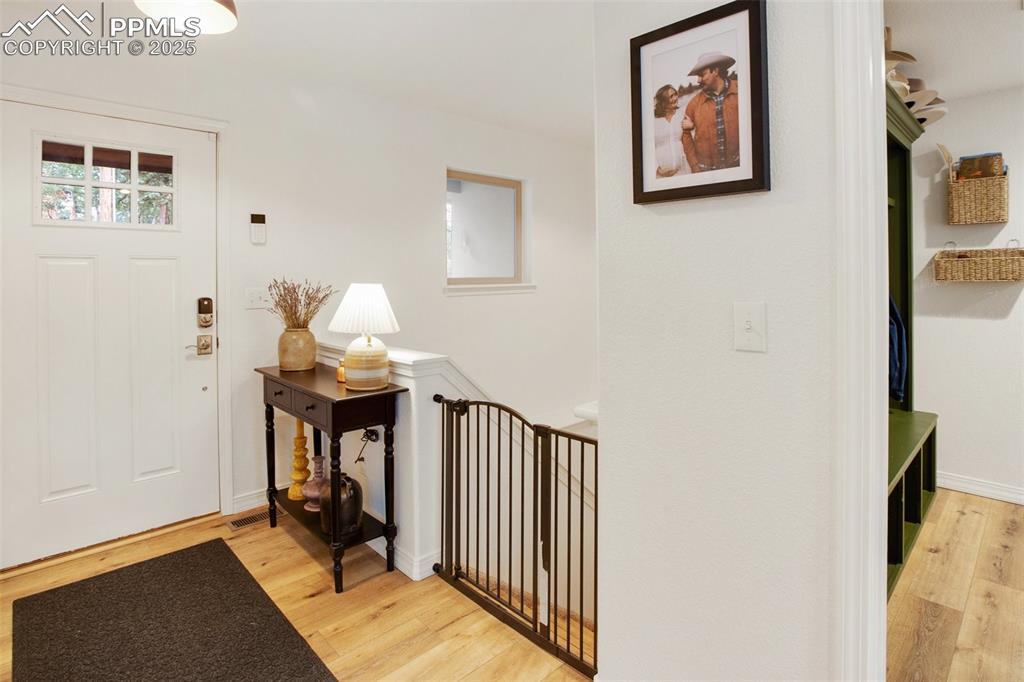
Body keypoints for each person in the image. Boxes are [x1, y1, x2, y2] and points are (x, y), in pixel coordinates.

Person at [681, 52, 740, 173]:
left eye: (702, 75)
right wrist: (695, 166)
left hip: (738, 167)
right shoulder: (693, 104)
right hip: (706, 172)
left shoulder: (742, 91)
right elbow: (686, 136)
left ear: (716, 71)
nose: (698, 80)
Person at [652, 84, 692, 177]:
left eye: (675, 94)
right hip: (659, 176)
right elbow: (646, 146)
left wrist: (692, 125)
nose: (675, 98)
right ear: (663, 101)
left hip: (682, 171)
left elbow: (692, 133)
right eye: (671, 96)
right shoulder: (653, 120)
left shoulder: (682, 114)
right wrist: (656, 168)